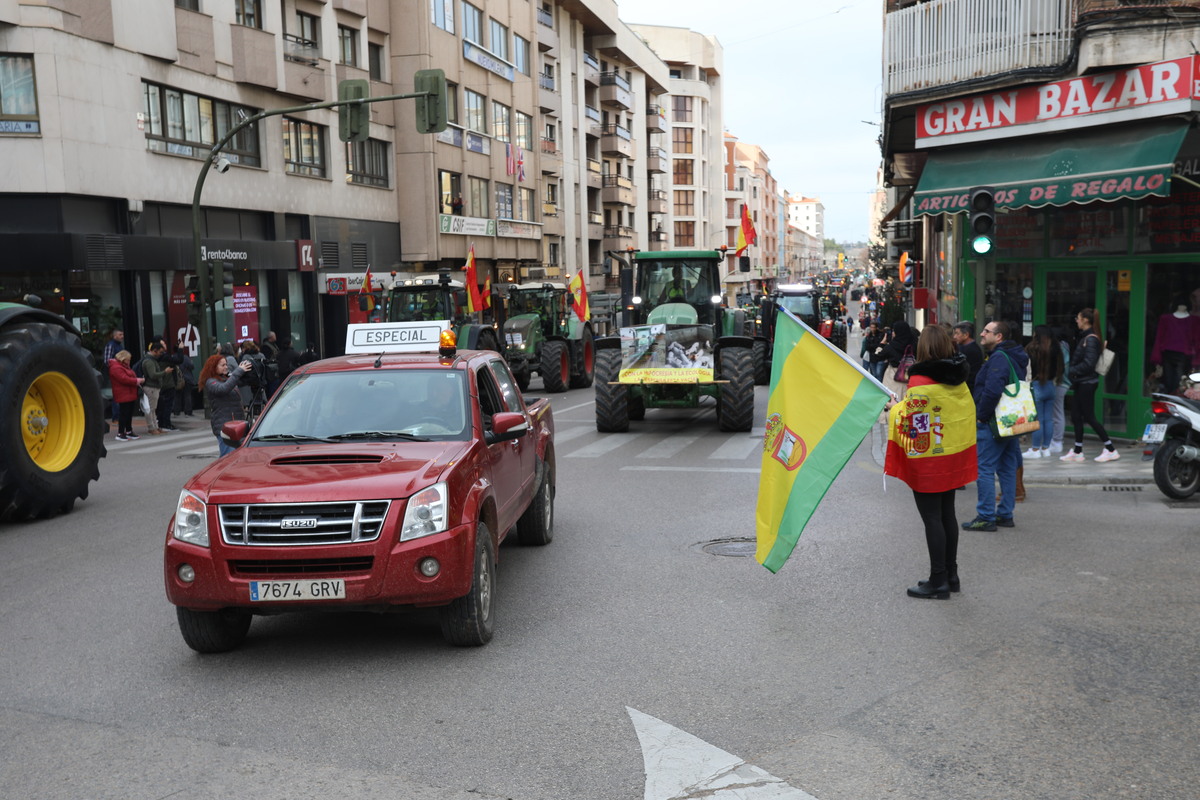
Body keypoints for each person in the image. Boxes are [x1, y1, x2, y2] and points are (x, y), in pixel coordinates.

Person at [885, 325, 977, 599]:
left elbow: (912, 418)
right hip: (951, 453)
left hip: (929, 459)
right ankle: (951, 574)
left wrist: (893, 408)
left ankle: (938, 581)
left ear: (924, 349)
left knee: (932, 518)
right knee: (947, 514)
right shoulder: (957, 377)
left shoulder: (921, 380)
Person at [962, 320, 1028, 531]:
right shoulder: (1013, 355)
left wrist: (981, 416)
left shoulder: (999, 357)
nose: (981, 334)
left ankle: (986, 516)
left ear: (999, 336)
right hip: (1009, 420)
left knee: (985, 468)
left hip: (993, 422)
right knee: (1008, 467)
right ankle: (1005, 514)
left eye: (987, 331)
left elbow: (993, 390)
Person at [1062, 308, 1120, 462]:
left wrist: (1069, 370)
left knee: (1089, 417)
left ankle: (1111, 449)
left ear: (1085, 320)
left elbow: (1089, 364)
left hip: (1087, 382)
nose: (1076, 320)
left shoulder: (1091, 339)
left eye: (1078, 318)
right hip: (1082, 382)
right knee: (1075, 416)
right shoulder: (1086, 337)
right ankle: (1077, 451)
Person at [199, 353, 252, 457]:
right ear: (214, 367)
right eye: (222, 365)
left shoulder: (226, 378)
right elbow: (223, 389)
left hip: (235, 424)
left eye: (226, 364)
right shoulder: (210, 382)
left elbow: (237, 382)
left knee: (236, 457)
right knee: (227, 457)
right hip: (224, 426)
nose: (226, 367)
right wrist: (239, 371)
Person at [1023, 325, 1063, 460]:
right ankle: (1045, 448)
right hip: (1051, 385)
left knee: (1038, 420)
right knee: (1048, 419)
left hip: (1036, 385)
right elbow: (1060, 367)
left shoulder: (1031, 348)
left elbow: (1026, 368)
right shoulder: (1055, 348)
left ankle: (1035, 449)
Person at [1150, 297, 1200, 397]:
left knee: (1177, 381)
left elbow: (1197, 340)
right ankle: (1171, 400)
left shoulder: (1194, 320)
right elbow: (1159, 337)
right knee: (1172, 380)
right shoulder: (1166, 319)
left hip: (1180, 355)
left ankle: (1174, 400)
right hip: (1172, 354)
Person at [107, 350, 143, 441]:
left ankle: (129, 430)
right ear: (123, 358)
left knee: (129, 413)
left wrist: (135, 380)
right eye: (128, 359)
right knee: (124, 413)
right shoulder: (116, 367)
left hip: (129, 392)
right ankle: (120, 432)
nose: (129, 361)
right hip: (123, 393)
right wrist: (136, 381)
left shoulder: (124, 366)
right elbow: (123, 379)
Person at [139, 341, 171, 436]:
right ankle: (152, 427)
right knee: (151, 409)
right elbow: (153, 375)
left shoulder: (151, 360)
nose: (161, 354)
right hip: (151, 387)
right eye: (160, 352)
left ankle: (155, 427)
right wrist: (165, 372)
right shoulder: (149, 361)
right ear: (155, 350)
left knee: (152, 409)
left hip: (153, 387)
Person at [951, 321, 983, 395]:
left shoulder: (971, 350)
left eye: (957, 333)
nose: (954, 337)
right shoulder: (964, 347)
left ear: (966, 335)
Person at [103, 328, 124, 423]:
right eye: (120, 335)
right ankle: (116, 417)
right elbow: (107, 361)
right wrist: (116, 369)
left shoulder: (119, 346)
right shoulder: (111, 345)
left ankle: (119, 416)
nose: (122, 336)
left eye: (122, 335)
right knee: (116, 395)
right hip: (115, 374)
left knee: (120, 394)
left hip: (121, 373)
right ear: (114, 336)